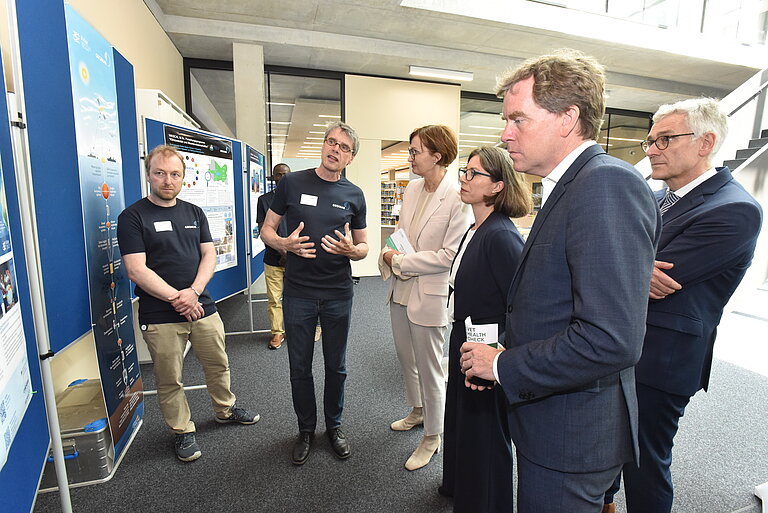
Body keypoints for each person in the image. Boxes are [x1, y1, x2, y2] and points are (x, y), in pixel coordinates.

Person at [459, 49, 661, 512]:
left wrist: (502, 367)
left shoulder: (605, 185)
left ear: (568, 117)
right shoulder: (573, 185)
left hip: (574, 437)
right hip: (556, 420)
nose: (505, 133)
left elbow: (611, 338)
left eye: (519, 119)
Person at [603, 98, 763, 513]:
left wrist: (622, 263)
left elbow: (652, 281)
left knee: (644, 463)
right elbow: (621, 262)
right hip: (622, 346)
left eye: (665, 139)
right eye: (650, 140)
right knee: (608, 450)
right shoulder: (659, 198)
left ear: (705, 142)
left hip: (662, 361)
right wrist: (632, 264)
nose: (651, 149)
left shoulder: (734, 209)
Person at [117, 144, 259, 463]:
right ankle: (182, 430)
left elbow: (209, 254)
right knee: (170, 377)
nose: (168, 180)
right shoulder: (132, 217)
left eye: (175, 174)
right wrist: (177, 299)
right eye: (160, 173)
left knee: (218, 363)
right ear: (149, 175)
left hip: (202, 305)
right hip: (160, 313)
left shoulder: (194, 212)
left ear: (183, 178)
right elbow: (136, 269)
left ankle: (224, 410)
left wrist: (193, 291)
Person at [260, 121, 368, 465]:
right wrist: (284, 244)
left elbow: (365, 245)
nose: (335, 149)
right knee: (299, 366)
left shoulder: (355, 195)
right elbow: (266, 230)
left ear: (350, 158)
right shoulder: (292, 183)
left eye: (344, 147)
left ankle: (333, 427)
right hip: (298, 293)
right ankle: (306, 428)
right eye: (331, 142)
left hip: (338, 293)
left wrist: (354, 251)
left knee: (337, 367)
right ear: (323, 145)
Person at [441, 146, 531, 512]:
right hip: (464, 338)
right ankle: (462, 491)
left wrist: (498, 355)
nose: (464, 178)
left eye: (473, 173)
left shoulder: (501, 236)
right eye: (465, 170)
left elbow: (521, 305)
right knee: (463, 424)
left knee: (485, 434)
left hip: (486, 347)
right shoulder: (475, 228)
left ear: (496, 186)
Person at [379, 124, 470, 470]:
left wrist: (399, 260)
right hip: (401, 288)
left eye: (416, 151)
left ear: (437, 155)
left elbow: (448, 255)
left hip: (430, 294)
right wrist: (389, 254)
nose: (410, 157)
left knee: (432, 369)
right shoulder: (413, 188)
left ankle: (433, 436)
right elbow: (399, 233)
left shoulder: (457, 197)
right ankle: (418, 411)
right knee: (406, 358)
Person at [257, 163, 290, 350]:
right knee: (274, 299)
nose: (282, 178)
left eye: (285, 174)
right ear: (273, 177)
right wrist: (282, 251)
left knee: (300, 297)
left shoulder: (299, 199)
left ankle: (301, 329)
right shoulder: (264, 200)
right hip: (273, 258)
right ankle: (277, 333)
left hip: (297, 258)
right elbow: (264, 231)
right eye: (278, 175)